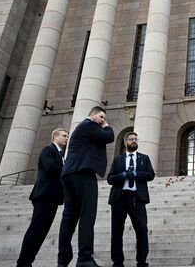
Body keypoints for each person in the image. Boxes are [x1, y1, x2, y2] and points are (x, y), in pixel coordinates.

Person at [58, 106, 115, 267]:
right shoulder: (89, 125)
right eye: (101, 117)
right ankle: (84, 258)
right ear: (92, 115)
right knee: (87, 215)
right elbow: (109, 136)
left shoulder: (84, 127)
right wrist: (106, 126)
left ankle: (63, 260)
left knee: (69, 218)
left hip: (70, 174)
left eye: (104, 118)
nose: (103, 120)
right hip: (82, 173)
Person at [16, 128, 69, 267]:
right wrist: (68, 169)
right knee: (36, 229)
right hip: (44, 195)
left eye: (67, 136)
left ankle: (28, 261)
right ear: (55, 137)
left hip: (53, 197)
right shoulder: (48, 150)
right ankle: (22, 262)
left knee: (41, 232)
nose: (66, 138)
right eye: (64, 135)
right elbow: (50, 167)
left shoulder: (60, 154)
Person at [107, 131, 155, 267]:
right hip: (119, 199)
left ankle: (141, 261)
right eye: (131, 139)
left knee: (141, 230)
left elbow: (150, 175)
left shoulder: (144, 158)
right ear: (125, 142)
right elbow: (110, 179)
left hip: (137, 199)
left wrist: (136, 174)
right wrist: (122, 175)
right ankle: (117, 262)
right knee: (116, 232)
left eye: (136, 139)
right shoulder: (118, 159)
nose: (134, 141)